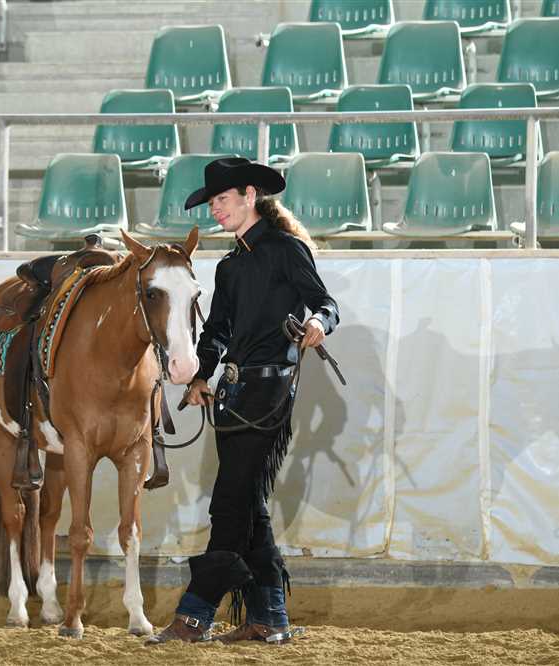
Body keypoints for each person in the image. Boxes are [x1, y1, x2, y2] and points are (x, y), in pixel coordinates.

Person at [147, 157, 339, 645]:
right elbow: (217, 331)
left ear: (250, 195)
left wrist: (318, 323)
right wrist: (200, 376)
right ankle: (269, 618)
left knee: (229, 505)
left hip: (271, 392)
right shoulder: (229, 266)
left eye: (222, 200)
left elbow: (326, 303)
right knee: (249, 506)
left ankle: (194, 616)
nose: (215, 209)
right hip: (232, 396)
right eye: (212, 203)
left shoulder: (287, 250)